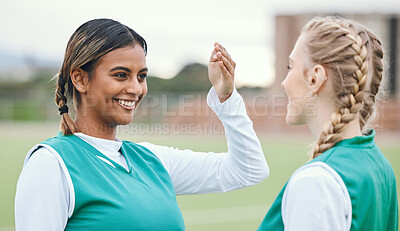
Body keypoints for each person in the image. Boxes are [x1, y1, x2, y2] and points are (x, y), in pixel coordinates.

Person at [14, 18, 269, 230]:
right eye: (121, 75)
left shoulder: (152, 160)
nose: (136, 89)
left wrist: (226, 97)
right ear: (80, 79)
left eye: (142, 76)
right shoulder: (51, 164)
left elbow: (248, 170)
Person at [258, 16, 398, 231]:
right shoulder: (381, 167)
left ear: (315, 78)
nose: (284, 83)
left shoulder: (316, 181)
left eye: (290, 66)